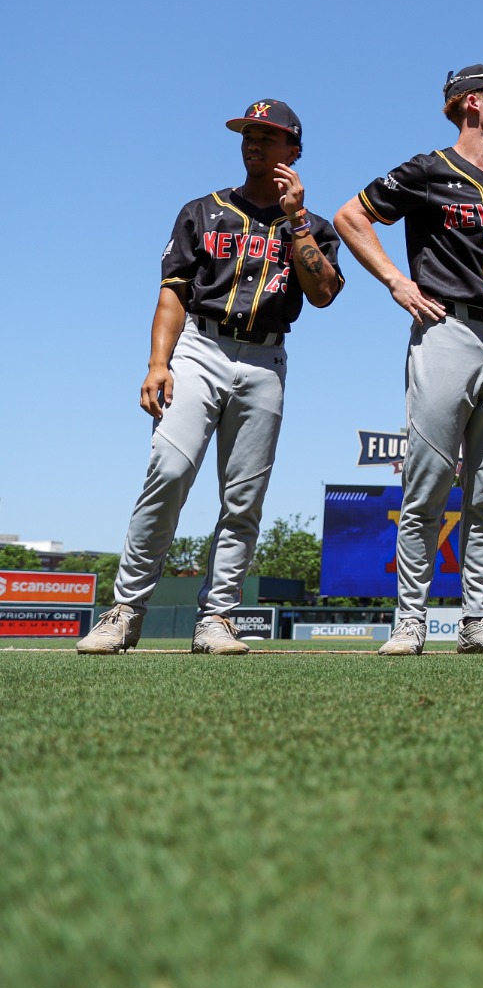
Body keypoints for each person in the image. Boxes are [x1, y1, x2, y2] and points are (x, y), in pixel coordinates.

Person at [78, 101, 343, 655]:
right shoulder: (202, 210)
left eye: (268, 136)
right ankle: (126, 610)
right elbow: (172, 292)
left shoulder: (312, 226)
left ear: (294, 151)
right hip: (200, 347)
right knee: (169, 470)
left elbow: (323, 293)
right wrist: (158, 363)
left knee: (243, 497)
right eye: (248, 134)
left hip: (266, 359)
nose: (254, 143)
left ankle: (217, 617)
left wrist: (296, 220)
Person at [334, 65, 483, 656]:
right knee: (428, 482)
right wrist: (396, 281)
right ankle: (410, 621)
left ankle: (477, 621)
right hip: (446, 329)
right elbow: (350, 217)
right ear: (471, 102)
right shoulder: (428, 169)